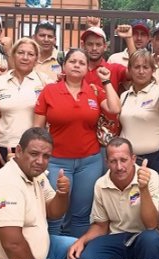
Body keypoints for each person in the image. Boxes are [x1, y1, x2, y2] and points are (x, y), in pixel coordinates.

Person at [33, 48, 121, 238]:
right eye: (73, 61)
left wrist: (106, 80)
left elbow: (114, 109)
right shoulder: (50, 90)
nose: (77, 65)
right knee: (56, 215)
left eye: (82, 63)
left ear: (87, 68)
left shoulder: (95, 90)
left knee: (81, 216)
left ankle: (76, 254)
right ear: (64, 65)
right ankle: (56, 254)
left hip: (89, 161)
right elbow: (38, 131)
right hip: (56, 162)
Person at [0, 128, 76, 259]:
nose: (40, 161)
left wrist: (62, 193)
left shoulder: (36, 174)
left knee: (80, 248)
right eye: (34, 154)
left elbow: (54, 212)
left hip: (42, 251)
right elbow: (13, 245)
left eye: (46, 156)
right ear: (19, 151)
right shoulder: (7, 185)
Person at [67, 138, 159, 259]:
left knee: (151, 239)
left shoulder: (151, 176)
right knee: (87, 257)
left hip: (142, 236)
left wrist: (143, 188)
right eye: (113, 161)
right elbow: (101, 225)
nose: (119, 167)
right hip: (116, 238)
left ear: (133, 159)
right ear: (106, 162)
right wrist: (82, 241)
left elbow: (151, 225)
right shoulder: (101, 184)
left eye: (124, 160)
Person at [0, 38, 54, 167]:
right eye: (20, 52)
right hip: (4, 147)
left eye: (30, 54)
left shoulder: (45, 82)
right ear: (13, 55)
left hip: (34, 150)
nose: (25, 57)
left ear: (36, 59)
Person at [119, 49, 159, 173]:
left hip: (156, 160)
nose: (141, 71)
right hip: (128, 160)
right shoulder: (124, 96)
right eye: (137, 67)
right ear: (129, 70)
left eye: (145, 67)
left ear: (152, 70)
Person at [80, 25, 128, 93]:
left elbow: (135, 72)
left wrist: (129, 38)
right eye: (90, 44)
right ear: (83, 45)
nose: (94, 48)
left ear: (105, 47)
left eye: (98, 44)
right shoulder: (75, 69)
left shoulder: (114, 69)